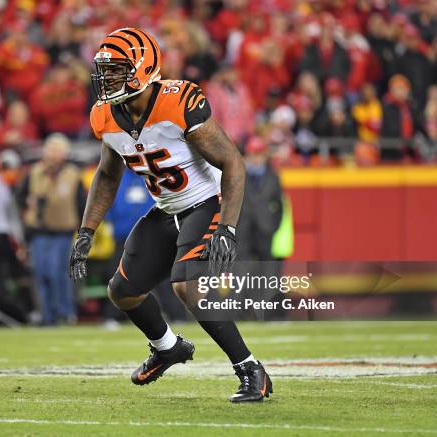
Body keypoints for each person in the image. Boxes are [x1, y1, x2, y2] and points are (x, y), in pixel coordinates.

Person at [69, 28, 272, 403]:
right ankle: (167, 348)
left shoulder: (178, 103)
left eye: (116, 71)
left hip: (206, 201)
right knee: (123, 291)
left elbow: (233, 163)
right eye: (105, 72)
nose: (106, 80)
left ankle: (250, 369)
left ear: (143, 69)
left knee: (186, 285)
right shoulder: (105, 116)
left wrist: (227, 225)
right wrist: (86, 230)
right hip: (166, 209)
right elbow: (108, 174)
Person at [24, 134, 85, 325]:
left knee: (58, 272)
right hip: (39, 231)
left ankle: (65, 312)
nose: (53, 154)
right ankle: (46, 314)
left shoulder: (73, 174)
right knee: (41, 273)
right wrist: (27, 211)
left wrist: (83, 229)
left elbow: (82, 202)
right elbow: (19, 197)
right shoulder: (34, 172)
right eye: (51, 149)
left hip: (63, 231)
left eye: (57, 150)